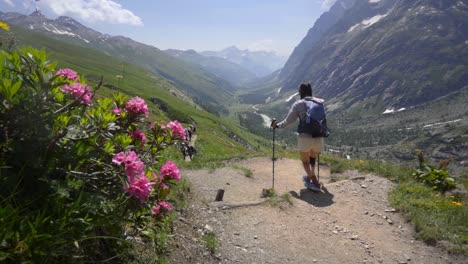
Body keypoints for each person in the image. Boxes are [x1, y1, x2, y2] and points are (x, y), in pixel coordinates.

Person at [271, 82, 326, 191]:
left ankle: (313, 180)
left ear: (300, 91)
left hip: (305, 136)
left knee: (305, 161)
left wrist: (277, 126)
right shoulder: (319, 102)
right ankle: (311, 176)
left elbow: (289, 120)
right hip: (319, 136)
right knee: (312, 158)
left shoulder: (299, 104)